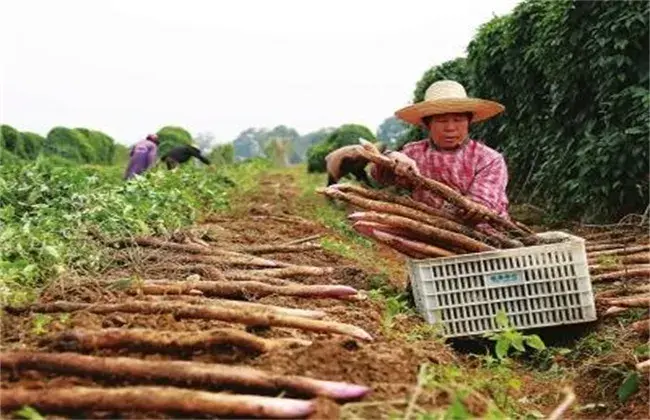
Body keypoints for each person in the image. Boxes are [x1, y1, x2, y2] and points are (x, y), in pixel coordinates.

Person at [371, 80, 509, 224]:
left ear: (469, 122)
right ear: (427, 124)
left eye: (458, 120)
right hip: (428, 230)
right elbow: (379, 175)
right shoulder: (414, 152)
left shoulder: (488, 159)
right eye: (442, 121)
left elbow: (479, 207)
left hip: (486, 234)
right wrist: (392, 157)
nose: (450, 128)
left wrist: (462, 209)